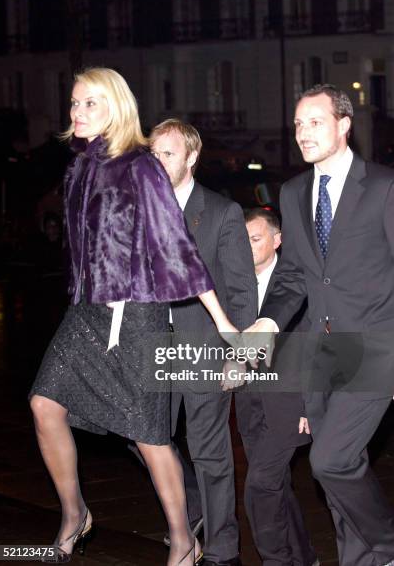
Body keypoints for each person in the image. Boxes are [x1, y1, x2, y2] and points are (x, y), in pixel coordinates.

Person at [29, 68, 238, 566]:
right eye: (75, 103)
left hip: (137, 314)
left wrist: (224, 324)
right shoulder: (79, 165)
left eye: (90, 104)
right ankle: (74, 512)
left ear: (117, 107)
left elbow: (176, 248)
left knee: (149, 437)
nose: (77, 112)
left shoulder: (141, 166)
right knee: (43, 404)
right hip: (86, 313)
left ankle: (183, 540)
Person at [245, 84, 394, 566]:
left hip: (375, 346)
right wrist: (270, 319)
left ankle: (388, 545)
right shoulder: (292, 192)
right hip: (323, 355)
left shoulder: (384, 187)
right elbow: (295, 274)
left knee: (330, 460)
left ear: (344, 124)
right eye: (297, 124)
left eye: (314, 122)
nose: (302, 133)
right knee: (335, 480)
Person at [150, 119, 257, 566]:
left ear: (191, 157)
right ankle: (193, 506)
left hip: (205, 348)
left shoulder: (221, 212)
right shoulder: (143, 210)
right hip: (151, 346)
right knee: (141, 434)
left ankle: (221, 549)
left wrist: (241, 357)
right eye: (153, 154)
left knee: (210, 451)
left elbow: (241, 292)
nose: (158, 162)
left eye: (168, 154)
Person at [235, 207, 318, 566]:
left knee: (260, 485)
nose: (247, 246)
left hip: (288, 402)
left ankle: (276, 560)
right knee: (278, 485)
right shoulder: (235, 283)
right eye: (243, 240)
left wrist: (307, 405)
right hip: (248, 400)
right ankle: (304, 558)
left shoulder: (297, 284)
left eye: (255, 239)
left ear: (277, 240)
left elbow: (315, 347)